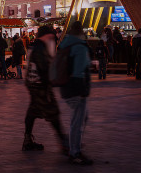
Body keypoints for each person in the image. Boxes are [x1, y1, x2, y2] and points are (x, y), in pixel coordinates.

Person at [22, 25, 67, 153]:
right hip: (40, 84)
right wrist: (50, 83)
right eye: (51, 35)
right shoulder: (40, 47)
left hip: (32, 83)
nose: (53, 38)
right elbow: (43, 67)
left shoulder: (34, 45)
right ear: (46, 35)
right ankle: (64, 143)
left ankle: (27, 140)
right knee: (53, 112)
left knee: (32, 112)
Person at [59, 21, 93, 165]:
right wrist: (83, 90)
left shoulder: (64, 43)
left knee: (81, 118)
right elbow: (79, 71)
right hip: (76, 87)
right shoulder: (79, 47)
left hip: (65, 86)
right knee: (78, 121)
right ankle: (74, 152)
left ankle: (73, 147)